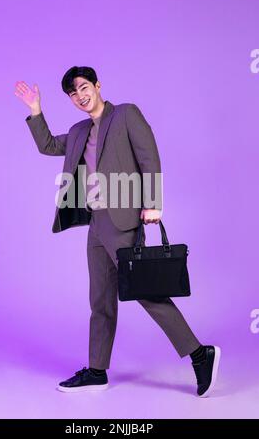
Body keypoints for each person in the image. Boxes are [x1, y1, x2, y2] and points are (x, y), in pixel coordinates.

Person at [14, 66, 221, 397]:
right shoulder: (80, 130)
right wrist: (36, 110)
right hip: (95, 223)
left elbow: (148, 156)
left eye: (83, 87)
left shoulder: (125, 114)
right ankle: (97, 371)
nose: (80, 96)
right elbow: (50, 146)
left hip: (123, 219)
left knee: (145, 292)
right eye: (72, 93)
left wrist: (153, 202)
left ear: (97, 85)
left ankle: (200, 353)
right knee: (100, 300)